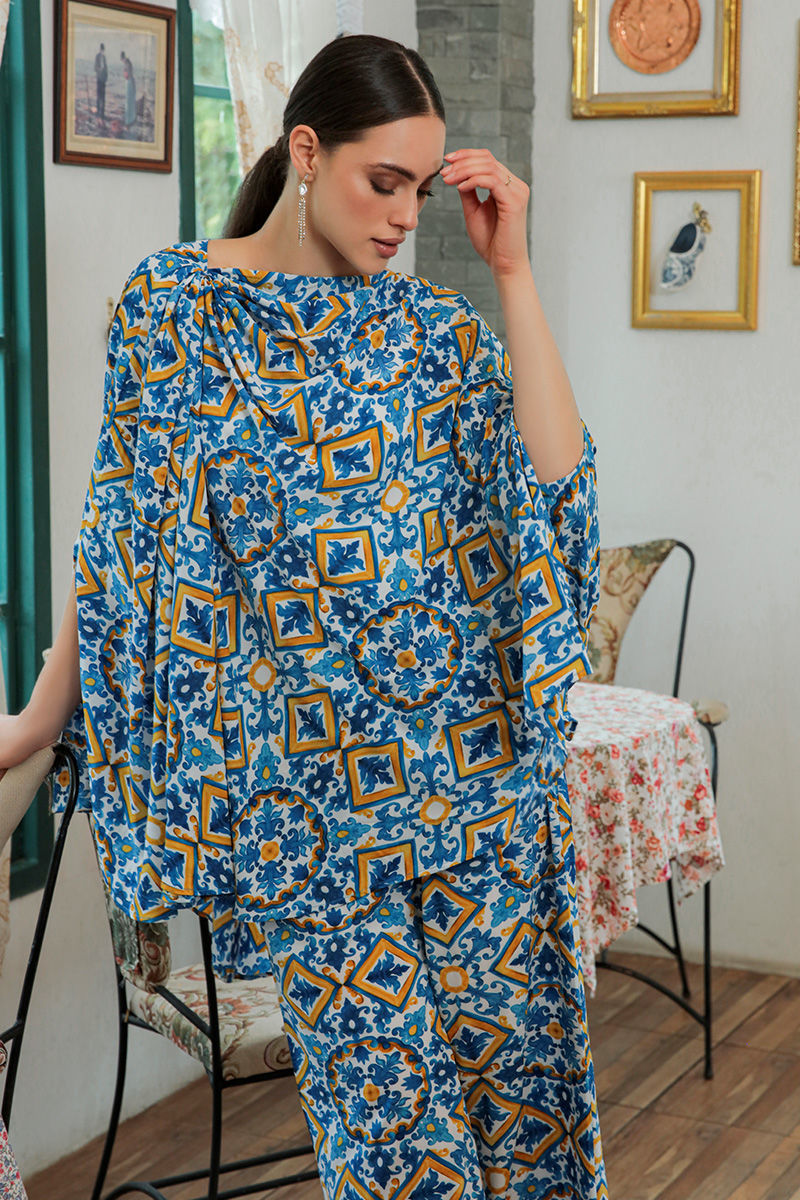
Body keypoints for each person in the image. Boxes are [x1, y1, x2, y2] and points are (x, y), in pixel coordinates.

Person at [0, 33, 607, 1200]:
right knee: (393, 1155)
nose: (403, 218)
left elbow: (550, 492)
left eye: (419, 190)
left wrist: (513, 274)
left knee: (525, 1116)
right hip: (313, 822)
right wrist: (39, 717)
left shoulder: (430, 332)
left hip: (478, 786)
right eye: (384, 182)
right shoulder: (175, 308)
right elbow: (125, 541)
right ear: (307, 150)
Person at [120, 50, 136, 128]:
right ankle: (130, 120)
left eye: (121, 60)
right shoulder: (128, 63)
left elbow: (127, 75)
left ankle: (128, 121)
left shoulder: (127, 64)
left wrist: (125, 74)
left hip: (129, 82)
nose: (122, 61)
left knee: (128, 102)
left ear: (122, 58)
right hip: (130, 81)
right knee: (130, 101)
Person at [94, 42, 107, 122]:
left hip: (103, 80)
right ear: (100, 49)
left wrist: (106, 77)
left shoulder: (104, 57)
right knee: (99, 97)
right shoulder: (97, 57)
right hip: (99, 79)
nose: (102, 51)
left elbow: (106, 68)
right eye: (101, 49)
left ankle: (102, 114)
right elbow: (95, 68)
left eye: (103, 50)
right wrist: (100, 69)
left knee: (103, 97)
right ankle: (98, 113)